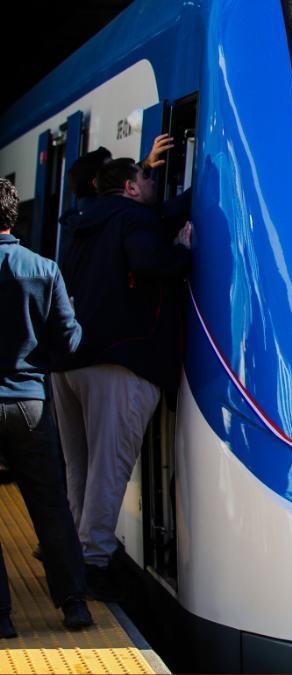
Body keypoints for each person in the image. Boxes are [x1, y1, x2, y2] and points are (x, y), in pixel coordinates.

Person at [51, 158, 193, 601]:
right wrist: (182, 251)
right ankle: (94, 564)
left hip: (68, 364)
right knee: (109, 470)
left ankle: (75, 554)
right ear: (131, 188)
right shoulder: (134, 217)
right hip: (119, 361)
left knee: (80, 468)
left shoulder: (80, 223)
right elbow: (151, 261)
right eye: (146, 177)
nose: (152, 183)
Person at [0, 178, 94, 636]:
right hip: (30, 405)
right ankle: (74, 604)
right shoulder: (43, 268)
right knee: (51, 505)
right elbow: (69, 343)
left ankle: (2, 617)